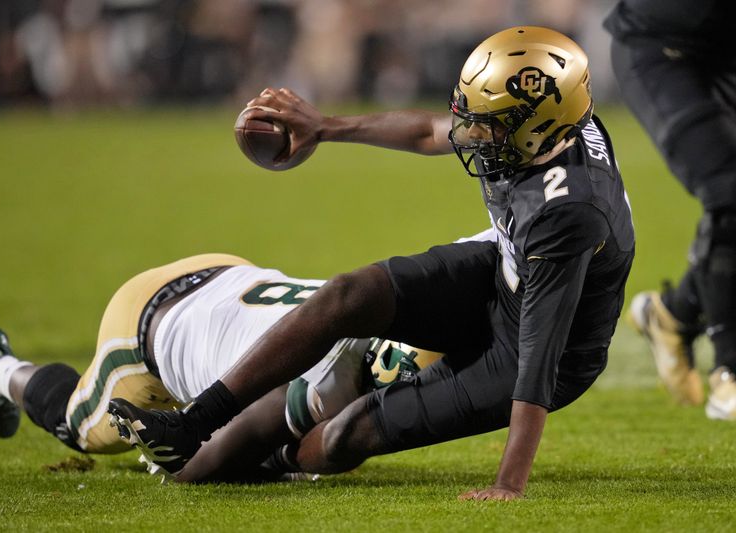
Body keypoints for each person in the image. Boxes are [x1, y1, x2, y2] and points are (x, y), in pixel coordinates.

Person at [108, 26, 635, 501]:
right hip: (508, 276)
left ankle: (280, 460)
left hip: (540, 349)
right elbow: (431, 132)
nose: (474, 134)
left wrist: (508, 485)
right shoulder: (549, 124)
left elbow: (538, 362)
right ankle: (193, 422)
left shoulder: (568, 213)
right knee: (349, 294)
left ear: (537, 129)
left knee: (350, 430)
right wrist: (325, 127)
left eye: (490, 126)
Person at [0, 253, 440, 481]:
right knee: (79, 426)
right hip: (144, 328)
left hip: (222, 271)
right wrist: (270, 462)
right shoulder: (329, 382)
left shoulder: (377, 301)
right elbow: (195, 469)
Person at [605, 0, 736, 419]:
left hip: (723, 50)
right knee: (729, 191)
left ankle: (672, 313)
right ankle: (729, 373)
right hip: (661, 47)